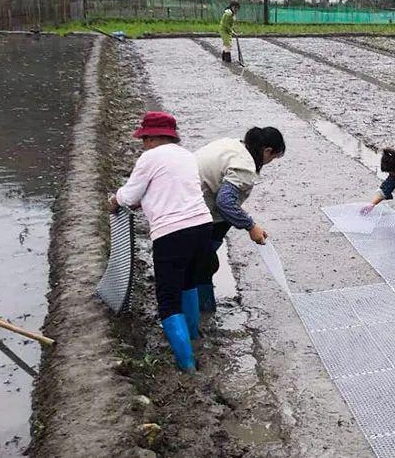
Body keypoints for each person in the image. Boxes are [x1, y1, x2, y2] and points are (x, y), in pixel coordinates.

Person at [109, 112, 212, 373]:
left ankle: (186, 364)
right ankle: (193, 338)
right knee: (188, 284)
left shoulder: (150, 157)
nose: (143, 143)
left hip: (172, 234)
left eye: (145, 138)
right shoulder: (187, 155)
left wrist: (113, 200)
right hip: (202, 227)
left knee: (168, 299)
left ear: (153, 137)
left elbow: (130, 195)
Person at [193, 127, 286, 312]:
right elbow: (225, 203)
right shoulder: (245, 166)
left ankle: (199, 297)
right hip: (192, 210)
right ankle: (202, 309)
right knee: (204, 263)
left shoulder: (233, 145)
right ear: (267, 151)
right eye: (273, 157)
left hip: (187, 198)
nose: (269, 162)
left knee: (203, 258)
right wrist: (251, 226)